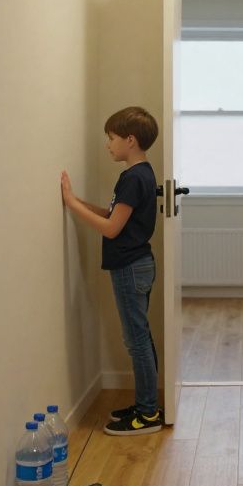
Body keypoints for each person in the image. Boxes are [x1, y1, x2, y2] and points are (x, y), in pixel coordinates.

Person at [61, 106, 164, 436]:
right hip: (138, 265)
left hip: (129, 268)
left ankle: (147, 413)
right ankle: (146, 405)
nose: (108, 144)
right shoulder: (142, 174)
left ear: (130, 140)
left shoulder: (133, 177)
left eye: (112, 138)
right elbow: (112, 214)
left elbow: (110, 229)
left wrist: (72, 205)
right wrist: (76, 201)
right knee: (140, 338)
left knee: (136, 342)